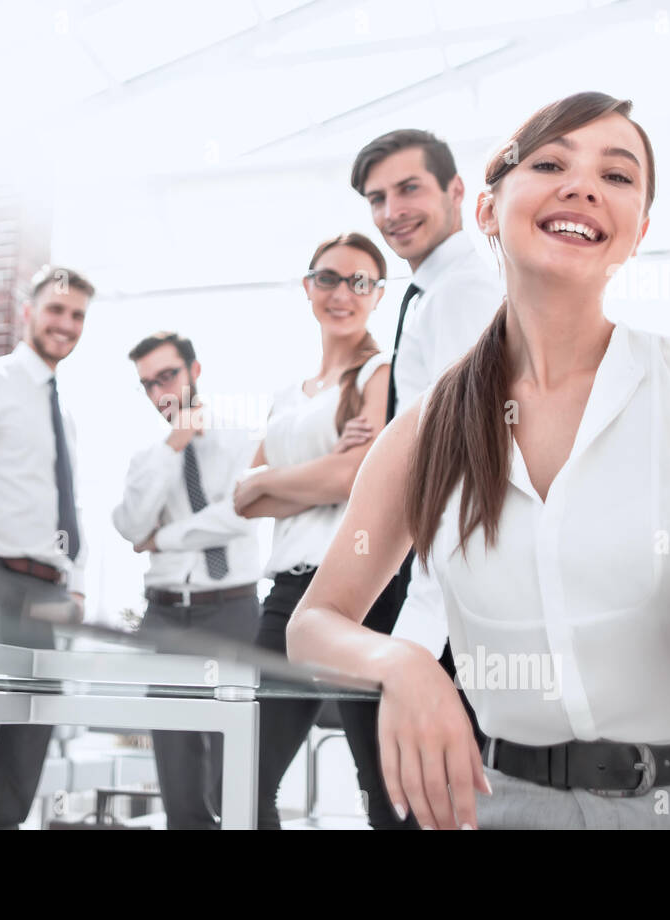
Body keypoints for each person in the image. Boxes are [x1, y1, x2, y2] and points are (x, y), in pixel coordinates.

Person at [284, 91, 670, 829]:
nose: (584, 186)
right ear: (488, 211)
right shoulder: (424, 432)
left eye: (617, 177)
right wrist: (400, 663)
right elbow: (316, 623)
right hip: (504, 808)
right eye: (551, 162)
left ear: (637, 231)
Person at [232, 232, 404, 829]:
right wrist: (319, 471)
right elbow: (242, 498)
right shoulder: (286, 396)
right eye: (329, 278)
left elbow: (358, 476)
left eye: (361, 281)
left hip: (362, 594)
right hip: (285, 596)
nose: (343, 292)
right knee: (246, 781)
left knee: (384, 789)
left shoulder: (383, 370)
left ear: (378, 294)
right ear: (309, 286)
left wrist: (274, 481)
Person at [345, 128, 502, 679]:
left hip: (451, 599)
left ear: (456, 190)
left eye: (409, 189)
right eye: (377, 198)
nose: (393, 211)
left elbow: (460, 466)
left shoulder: (461, 293)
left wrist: (419, 632)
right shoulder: (431, 294)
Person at [0, 264, 93, 829]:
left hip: (49, 593)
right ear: (28, 311)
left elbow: (65, 503)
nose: (66, 323)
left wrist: (77, 583)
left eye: (78, 315)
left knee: (26, 747)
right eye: (57, 309)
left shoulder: (62, 409)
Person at [112, 331, 260, 829]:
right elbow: (132, 526)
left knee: (236, 767)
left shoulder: (243, 439)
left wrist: (166, 537)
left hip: (232, 611)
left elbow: (239, 516)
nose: (161, 394)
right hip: (166, 614)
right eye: (148, 384)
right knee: (177, 771)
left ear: (195, 371)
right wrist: (173, 446)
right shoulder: (147, 459)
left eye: (168, 376)